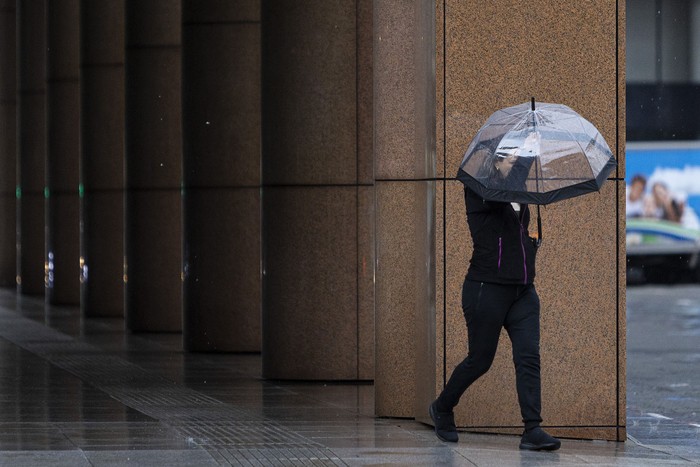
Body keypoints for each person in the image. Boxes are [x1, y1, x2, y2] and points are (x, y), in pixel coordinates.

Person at [430, 145, 561, 451]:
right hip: (485, 287)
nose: (518, 163)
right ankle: (443, 407)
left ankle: (532, 429)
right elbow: (501, 189)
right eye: (513, 156)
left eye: (519, 157)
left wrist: (530, 152)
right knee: (480, 360)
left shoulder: (518, 192)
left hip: (523, 290)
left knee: (528, 356)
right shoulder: (478, 188)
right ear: (498, 160)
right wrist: (526, 156)